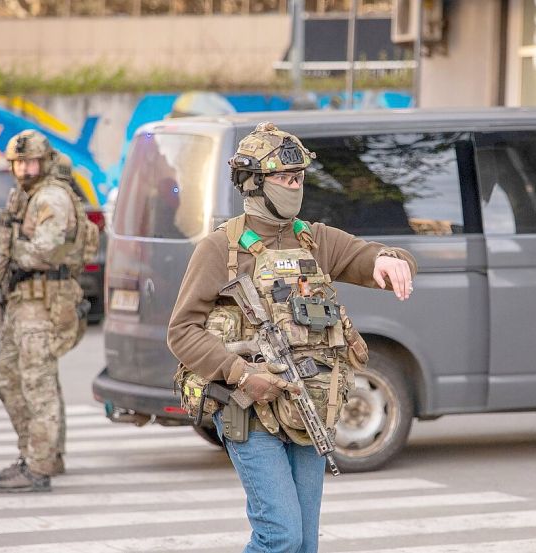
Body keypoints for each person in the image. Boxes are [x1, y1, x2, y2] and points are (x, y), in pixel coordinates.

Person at [167, 122, 416, 552]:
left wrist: (391, 260)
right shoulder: (219, 249)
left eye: (299, 178)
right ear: (254, 183)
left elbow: (368, 255)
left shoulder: (313, 239)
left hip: (309, 406)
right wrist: (241, 374)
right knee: (280, 535)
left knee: (305, 543)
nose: (295, 186)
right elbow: (182, 331)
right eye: (285, 178)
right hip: (248, 411)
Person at [0, 130, 97, 493]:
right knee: (9, 379)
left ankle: (39, 465)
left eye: (31, 161)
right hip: (25, 300)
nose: (25, 169)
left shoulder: (50, 196)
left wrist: (10, 255)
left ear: (45, 162)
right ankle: (40, 453)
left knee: (37, 383)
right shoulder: (25, 196)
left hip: (45, 299)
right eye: (19, 163)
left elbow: (46, 250)